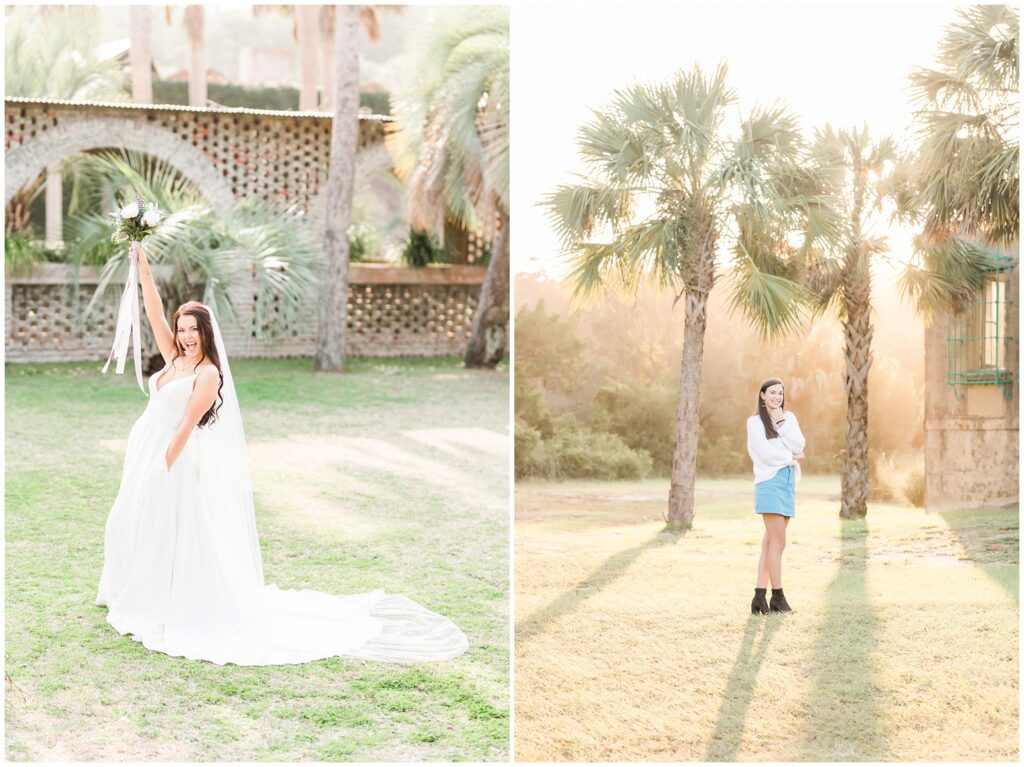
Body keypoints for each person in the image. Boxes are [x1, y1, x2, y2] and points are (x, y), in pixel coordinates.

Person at [95, 242, 469, 665]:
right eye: (182, 330)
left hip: (166, 458)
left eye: (192, 331)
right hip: (143, 449)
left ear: (206, 334)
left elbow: (184, 427)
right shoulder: (173, 358)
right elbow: (154, 314)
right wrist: (143, 268)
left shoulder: (207, 373)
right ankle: (128, 590)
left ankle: (156, 600)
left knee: (153, 526)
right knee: (126, 521)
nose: (184, 337)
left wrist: (161, 470)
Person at [746, 378, 805, 614]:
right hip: (769, 483)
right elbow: (765, 454)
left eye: (780, 393)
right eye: (772, 393)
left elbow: (799, 443)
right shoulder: (754, 423)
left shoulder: (788, 419)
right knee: (778, 543)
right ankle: (777, 597)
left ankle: (759, 597)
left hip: (788, 482)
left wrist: (781, 422)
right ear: (762, 395)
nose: (777, 397)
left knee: (770, 543)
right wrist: (790, 457)